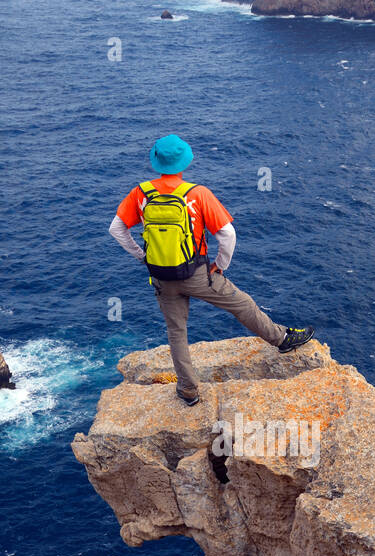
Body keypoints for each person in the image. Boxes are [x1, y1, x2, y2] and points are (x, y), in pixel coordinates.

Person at [110, 134, 314, 405]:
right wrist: (220, 265)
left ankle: (188, 391)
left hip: (161, 277)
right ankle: (282, 339)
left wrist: (142, 256)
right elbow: (227, 234)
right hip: (197, 275)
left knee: (176, 332)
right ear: (184, 163)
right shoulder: (197, 193)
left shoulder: (141, 193)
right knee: (241, 304)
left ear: (156, 162)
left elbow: (116, 229)